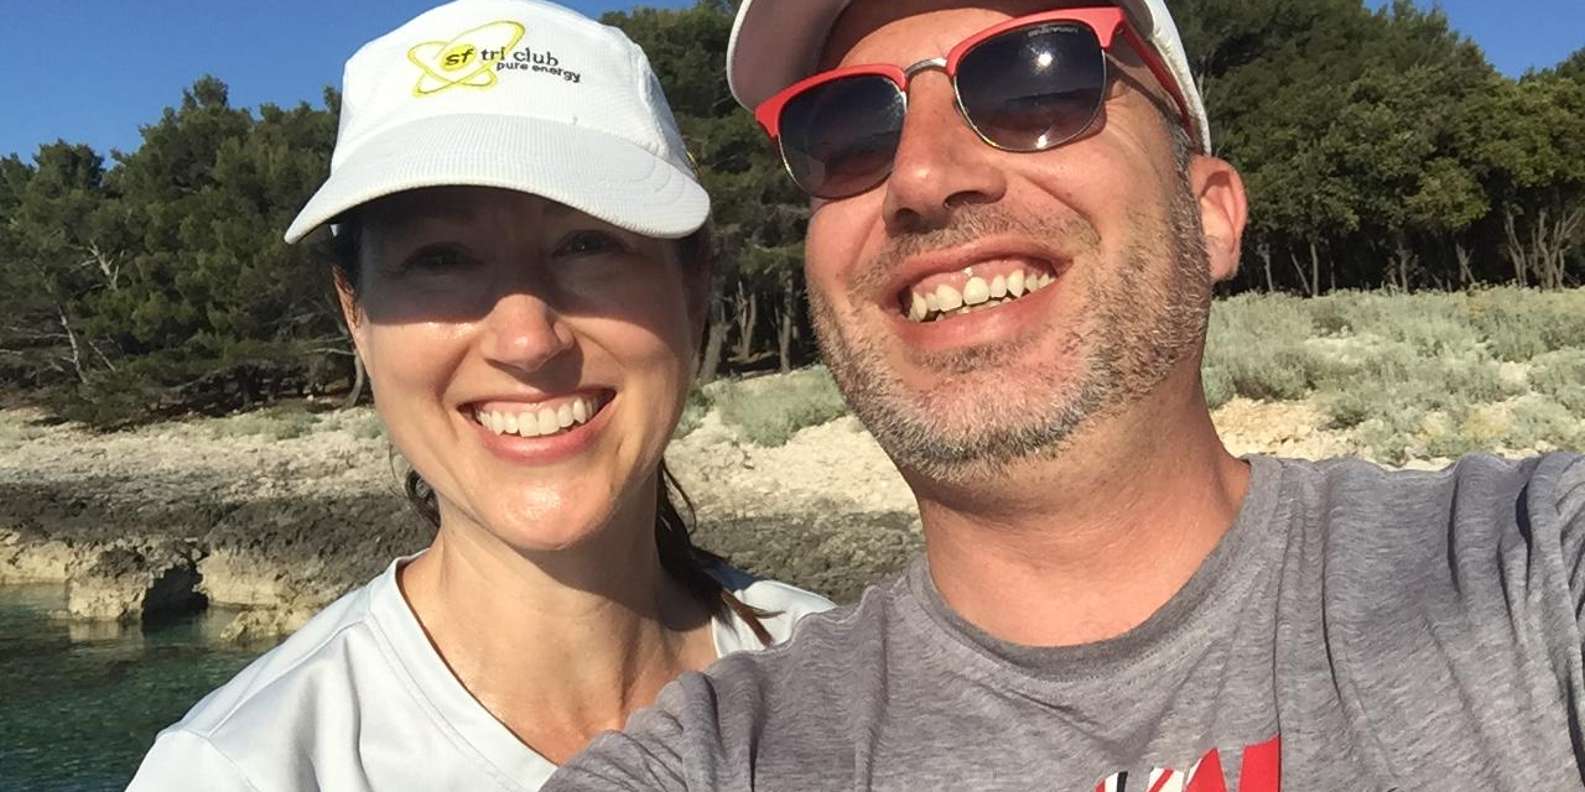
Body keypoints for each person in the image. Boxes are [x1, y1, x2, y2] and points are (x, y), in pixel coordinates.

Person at [544, 1, 1585, 790]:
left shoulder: (1523, 569)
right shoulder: (720, 757)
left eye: (1033, 80)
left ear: (1211, 214)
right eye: (846, 130)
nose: (921, 178)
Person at [125, 1, 832, 789]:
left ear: (693, 285)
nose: (526, 339)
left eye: (587, 243)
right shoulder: (243, 769)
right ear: (355, 314)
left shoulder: (853, 686)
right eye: (441, 259)